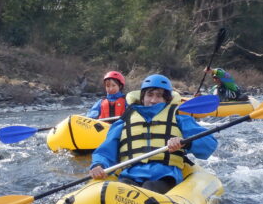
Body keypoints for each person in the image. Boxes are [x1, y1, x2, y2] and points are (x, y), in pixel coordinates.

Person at [89, 74, 218, 194]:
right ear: (142, 97)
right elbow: (106, 150)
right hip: (130, 174)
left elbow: (209, 143)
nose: (153, 100)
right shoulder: (124, 120)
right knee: (121, 191)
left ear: (166, 99)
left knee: (149, 188)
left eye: (159, 96)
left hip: (166, 175)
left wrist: (186, 142)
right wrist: (98, 164)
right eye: (149, 95)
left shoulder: (179, 118)